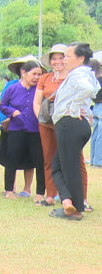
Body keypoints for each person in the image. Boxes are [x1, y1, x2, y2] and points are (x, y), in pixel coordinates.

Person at [48, 43, 100, 221]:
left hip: (70, 123)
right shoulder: (87, 74)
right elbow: (95, 92)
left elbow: (87, 90)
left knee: (69, 169)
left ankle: (75, 209)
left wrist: (75, 109)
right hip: (77, 125)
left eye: (68, 56)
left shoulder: (79, 74)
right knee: (58, 166)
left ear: (81, 59)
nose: (64, 59)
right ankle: (68, 203)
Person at [33, 44, 88, 207]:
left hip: (67, 124)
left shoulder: (73, 77)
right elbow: (37, 102)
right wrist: (41, 118)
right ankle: (50, 196)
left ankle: (82, 198)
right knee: (49, 159)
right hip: (47, 123)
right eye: (54, 58)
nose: (58, 62)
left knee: (76, 159)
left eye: (61, 57)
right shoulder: (45, 78)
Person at [0, 58, 45, 203]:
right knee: (12, 159)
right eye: (34, 74)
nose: (36, 77)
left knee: (39, 161)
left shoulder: (39, 90)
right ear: (24, 73)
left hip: (35, 130)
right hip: (16, 129)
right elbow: (2, 105)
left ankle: (39, 193)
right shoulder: (12, 88)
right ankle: (9, 190)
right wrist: (12, 112)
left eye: (39, 74)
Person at [89, 59, 102, 167]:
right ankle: (99, 161)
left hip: (96, 107)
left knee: (95, 135)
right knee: (100, 136)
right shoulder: (100, 79)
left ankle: (93, 160)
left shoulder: (91, 80)